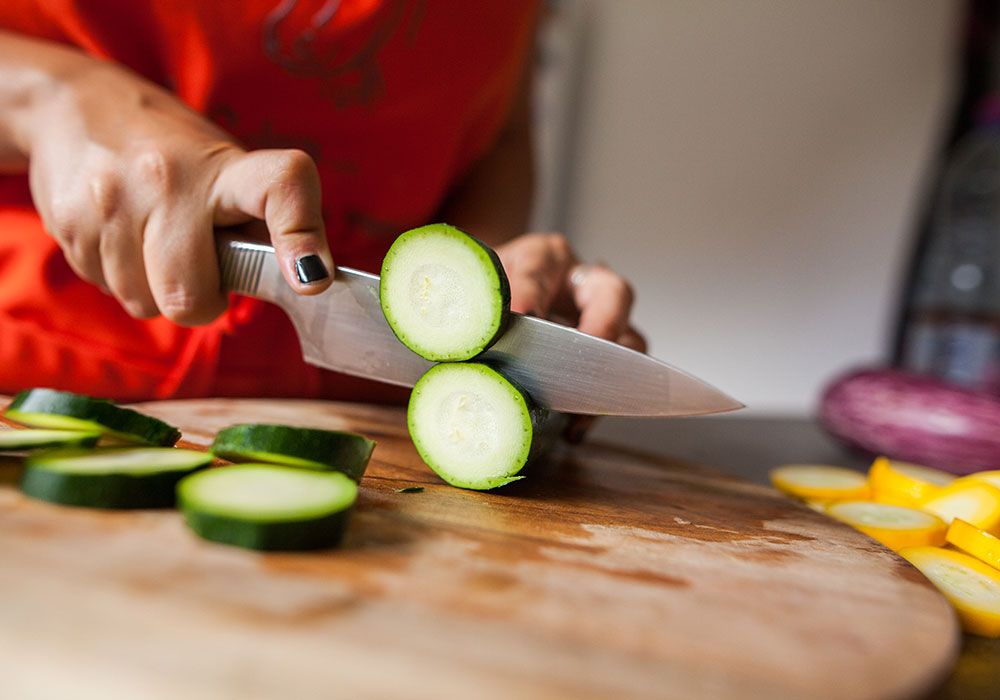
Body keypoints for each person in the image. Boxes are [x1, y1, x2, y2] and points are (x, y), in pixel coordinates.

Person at [0, 1, 643, 433]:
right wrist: (50, 98)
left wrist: (489, 275)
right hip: (43, 366)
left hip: (375, 417)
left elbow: (500, 127)